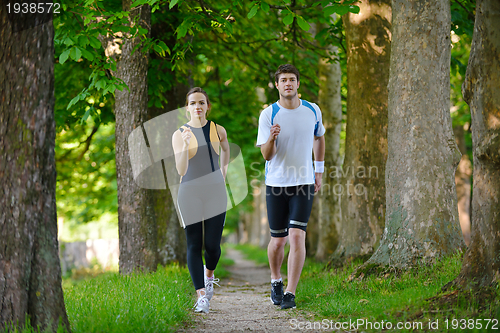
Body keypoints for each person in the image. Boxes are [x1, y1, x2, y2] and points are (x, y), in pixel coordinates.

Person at [256, 64, 326, 309]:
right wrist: (271, 138)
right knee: (278, 241)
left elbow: (319, 137)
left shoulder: (312, 110)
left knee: (297, 236)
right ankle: (276, 278)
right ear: (277, 85)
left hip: (304, 183)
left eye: (292, 80)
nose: (288, 83)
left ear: (298, 84)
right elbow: (266, 155)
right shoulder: (269, 114)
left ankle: (290, 293)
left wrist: (319, 171)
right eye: (283, 80)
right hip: (276, 184)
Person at [172, 87, 230, 313]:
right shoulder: (179, 134)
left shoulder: (218, 130)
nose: (197, 106)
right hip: (189, 192)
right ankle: (201, 296)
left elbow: (225, 151)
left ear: (207, 106)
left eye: (201, 102)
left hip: (215, 192)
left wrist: (223, 174)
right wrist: (185, 146)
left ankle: (209, 275)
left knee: (213, 247)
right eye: (193, 103)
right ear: (187, 108)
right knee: (194, 243)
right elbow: (181, 169)